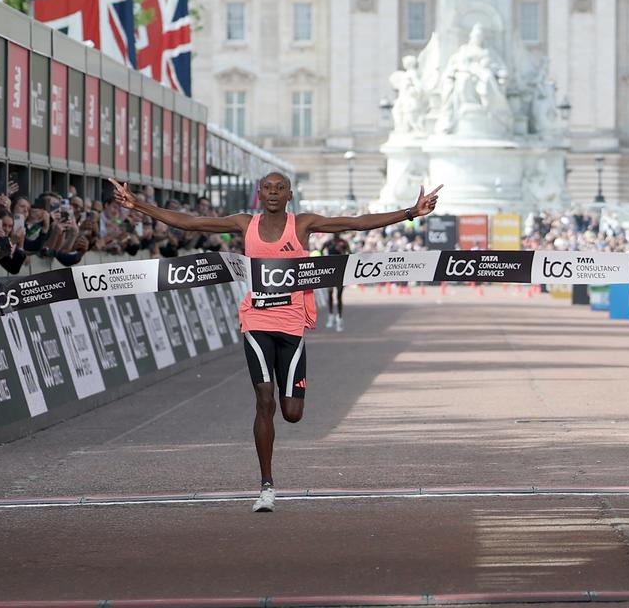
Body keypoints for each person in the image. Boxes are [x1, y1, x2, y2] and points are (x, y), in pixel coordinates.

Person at [109, 173, 442, 514]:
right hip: (256, 321)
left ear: (289, 195)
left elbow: (354, 222)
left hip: (292, 324)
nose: (272, 193)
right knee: (264, 398)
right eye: (267, 188)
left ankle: (278, 441)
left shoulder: (302, 225)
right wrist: (138, 205)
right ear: (259, 194)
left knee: (292, 413)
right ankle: (266, 485)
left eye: (279, 188)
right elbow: (191, 223)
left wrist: (410, 212)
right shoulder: (245, 223)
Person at [321, 234, 351, 331]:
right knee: (330, 294)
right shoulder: (328, 243)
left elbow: (350, 255)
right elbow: (320, 252)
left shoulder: (343, 242)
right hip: (330, 272)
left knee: (339, 296)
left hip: (340, 272)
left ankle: (339, 318)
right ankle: (330, 316)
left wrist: (342, 252)